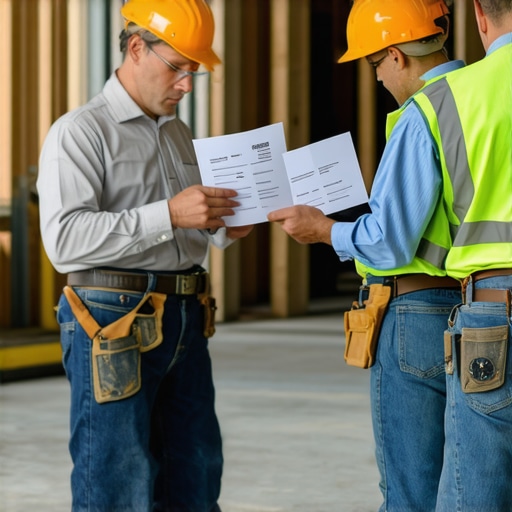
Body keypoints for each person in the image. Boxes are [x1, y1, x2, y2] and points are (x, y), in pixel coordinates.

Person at [37, 0, 252, 510]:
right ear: (136, 48)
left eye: (194, 72)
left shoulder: (177, 134)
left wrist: (225, 227)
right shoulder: (80, 132)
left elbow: (190, 227)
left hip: (183, 316)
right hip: (112, 323)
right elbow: (64, 240)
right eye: (178, 68)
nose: (187, 85)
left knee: (195, 472)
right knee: (118, 478)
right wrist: (170, 215)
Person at [268, 1, 467, 510]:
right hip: (469, 305)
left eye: (374, 64)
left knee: (410, 490)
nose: (377, 78)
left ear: (396, 55)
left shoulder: (422, 114)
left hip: (415, 315)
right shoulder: (476, 96)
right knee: (465, 484)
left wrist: (324, 230)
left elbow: (390, 241)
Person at [413, 1, 512, 510]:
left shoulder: (448, 98)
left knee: (475, 490)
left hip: (493, 310)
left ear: (478, 14)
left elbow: (420, 240)